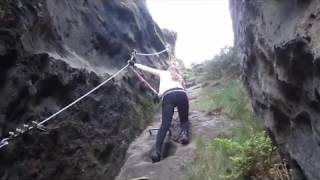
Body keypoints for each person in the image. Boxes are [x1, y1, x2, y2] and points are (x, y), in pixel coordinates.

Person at [128, 60, 190, 163]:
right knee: (184, 120)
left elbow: (147, 69)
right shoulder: (180, 78)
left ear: (169, 70)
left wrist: (134, 64)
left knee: (165, 124)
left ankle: (157, 151)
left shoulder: (163, 73)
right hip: (181, 94)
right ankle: (184, 135)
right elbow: (184, 90)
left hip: (168, 96)